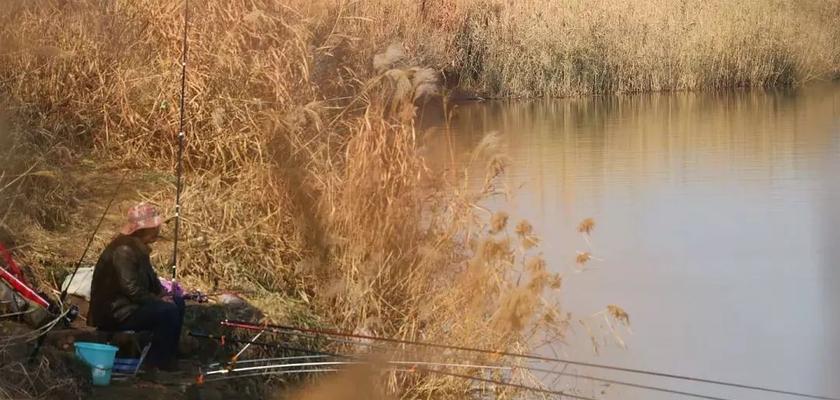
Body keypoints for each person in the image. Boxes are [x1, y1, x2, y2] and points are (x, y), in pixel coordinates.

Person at [88, 202, 184, 371]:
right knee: (167, 311)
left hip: (131, 307)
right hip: (117, 313)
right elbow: (132, 289)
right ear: (142, 229)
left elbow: (153, 283)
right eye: (154, 227)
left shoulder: (139, 249)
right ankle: (155, 365)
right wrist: (158, 301)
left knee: (177, 302)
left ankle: (168, 357)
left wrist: (163, 295)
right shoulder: (124, 250)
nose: (158, 230)